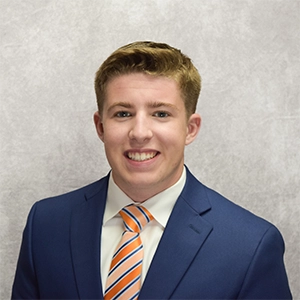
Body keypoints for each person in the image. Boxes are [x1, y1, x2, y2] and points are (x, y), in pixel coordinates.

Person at [12, 41, 292, 299]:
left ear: (190, 129)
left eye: (161, 114)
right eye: (123, 113)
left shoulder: (251, 244)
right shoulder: (46, 224)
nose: (140, 132)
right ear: (101, 127)